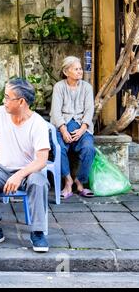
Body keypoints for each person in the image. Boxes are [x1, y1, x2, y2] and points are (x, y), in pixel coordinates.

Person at [0, 78, 50, 253]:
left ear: (21, 102)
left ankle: (38, 232)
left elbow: (41, 160)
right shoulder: (0, 113)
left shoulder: (37, 123)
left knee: (39, 183)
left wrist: (19, 174)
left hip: (29, 170)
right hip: (1, 168)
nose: (4, 101)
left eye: (8, 97)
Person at [50, 56, 96, 199]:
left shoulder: (87, 87)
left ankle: (80, 181)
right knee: (59, 148)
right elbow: (56, 112)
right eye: (76, 69)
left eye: (80, 68)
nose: (80, 71)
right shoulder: (59, 87)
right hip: (61, 126)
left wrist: (82, 129)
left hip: (82, 127)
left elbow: (89, 111)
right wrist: (63, 130)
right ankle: (68, 181)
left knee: (89, 149)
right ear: (66, 71)